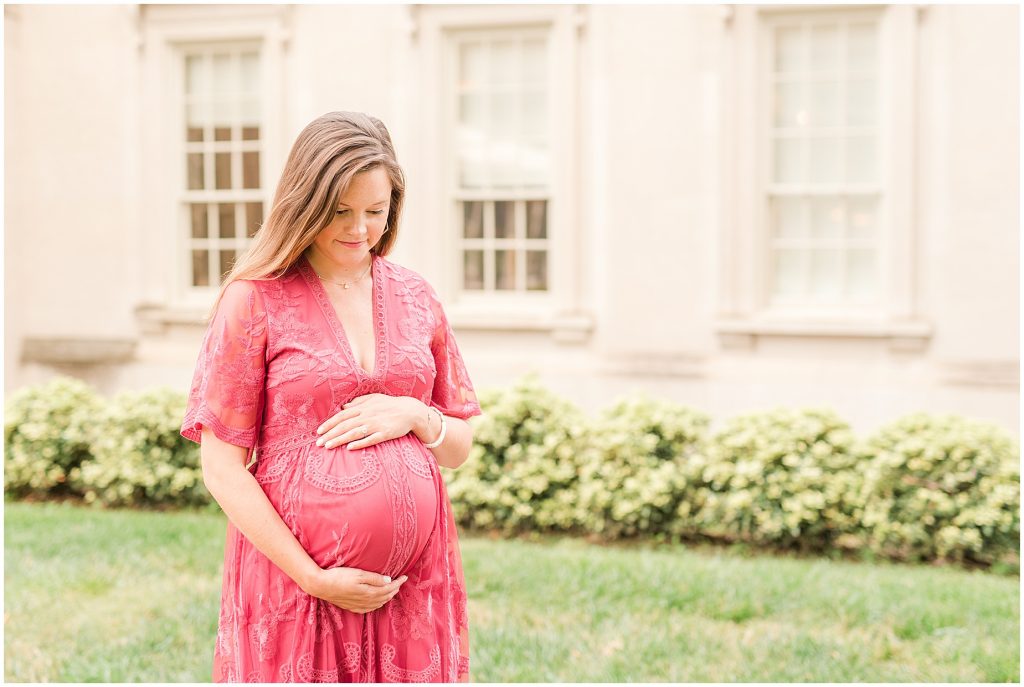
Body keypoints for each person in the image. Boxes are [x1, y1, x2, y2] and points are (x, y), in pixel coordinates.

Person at [180, 111, 482, 682]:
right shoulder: (254, 301)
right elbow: (222, 469)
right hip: (297, 584)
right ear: (306, 204)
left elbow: (458, 445)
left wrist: (418, 415)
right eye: (341, 212)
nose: (360, 229)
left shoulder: (416, 296)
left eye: (376, 211)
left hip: (411, 587)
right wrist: (314, 577)